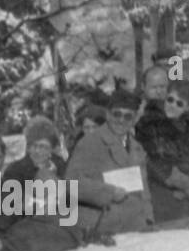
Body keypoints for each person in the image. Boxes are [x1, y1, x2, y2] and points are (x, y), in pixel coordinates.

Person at [66, 86, 154, 236]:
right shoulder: (90, 142)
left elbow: (144, 192)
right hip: (104, 228)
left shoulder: (136, 148)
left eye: (127, 116)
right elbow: (71, 183)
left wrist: (149, 219)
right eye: (117, 114)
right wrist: (108, 192)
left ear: (134, 120)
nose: (121, 120)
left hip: (136, 228)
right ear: (107, 115)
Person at [0, 117, 80, 251]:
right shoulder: (16, 170)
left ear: (52, 149)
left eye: (43, 147)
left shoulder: (60, 165)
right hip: (28, 228)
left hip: (60, 224)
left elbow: (71, 198)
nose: (37, 151)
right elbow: (9, 209)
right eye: (34, 146)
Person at [136, 77, 189, 226]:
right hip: (163, 191)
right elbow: (158, 160)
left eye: (179, 104)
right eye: (170, 100)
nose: (172, 105)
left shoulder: (184, 128)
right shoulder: (151, 123)